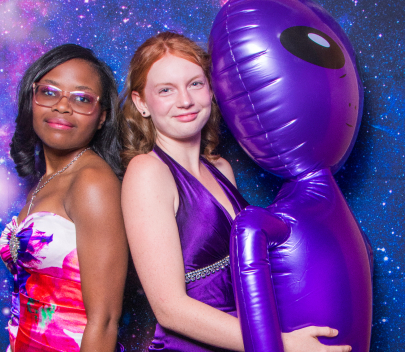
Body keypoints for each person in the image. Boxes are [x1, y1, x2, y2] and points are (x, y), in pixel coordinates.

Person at [120, 32, 352, 352]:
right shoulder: (147, 172)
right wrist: (279, 344)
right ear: (141, 103)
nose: (185, 100)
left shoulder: (221, 167)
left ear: (211, 89)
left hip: (243, 340)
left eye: (195, 84)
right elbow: (169, 308)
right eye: (165, 90)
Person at [0, 44, 128, 352]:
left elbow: (105, 320)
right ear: (32, 99)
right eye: (49, 92)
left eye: (82, 99)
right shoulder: (45, 181)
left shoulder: (93, 182)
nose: (62, 106)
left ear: (101, 118)